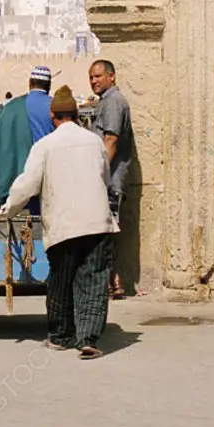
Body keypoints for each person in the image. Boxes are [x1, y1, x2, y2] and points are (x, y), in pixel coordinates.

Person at [0, 85, 118, 359]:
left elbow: (26, 185)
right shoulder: (94, 142)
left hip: (64, 226)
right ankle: (88, 339)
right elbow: (105, 177)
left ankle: (61, 336)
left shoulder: (45, 145)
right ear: (76, 115)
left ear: (53, 117)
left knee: (61, 281)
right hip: (97, 223)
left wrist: (9, 210)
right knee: (93, 281)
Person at [0, 65, 55, 215]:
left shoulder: (11, 107)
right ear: (49, 85)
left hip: (19, 176)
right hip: (48, 175)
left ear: (30, 83)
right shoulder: (54, 106)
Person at [89, 59, 134, 300]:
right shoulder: (106, 102)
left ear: (112, 76)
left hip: (110, 181)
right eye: (92, 78)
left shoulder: (114, 102)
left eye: (98, 76)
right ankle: (114, 281)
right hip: (109, 180)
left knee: (104, 231)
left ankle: (110, 283)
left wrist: (96, 174)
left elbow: (111, 141)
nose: (94, 81)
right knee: (108, 231)